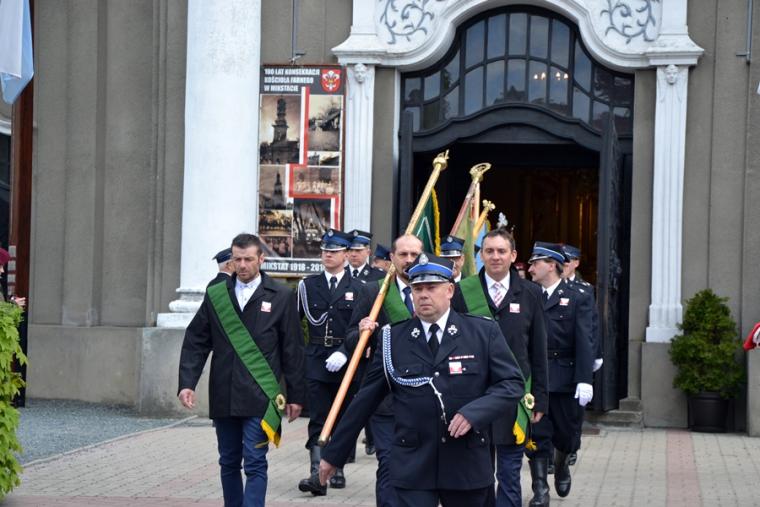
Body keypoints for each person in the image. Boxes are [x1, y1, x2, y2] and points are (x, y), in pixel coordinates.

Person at [319, 252, 525, 507]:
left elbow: (511, 383)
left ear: (449, 290)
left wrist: (474, 413)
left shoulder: (482, 332)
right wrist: (334, 454)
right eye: (417, 289)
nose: (423, 295)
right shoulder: (392, 338)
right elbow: (365, 400)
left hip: (465, 462)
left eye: (431, 287)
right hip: (413, 464)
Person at [177, 233, 305, 507]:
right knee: (228, 461)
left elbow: (292, 349)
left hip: (261, 395)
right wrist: (187, 382)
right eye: (237, 260)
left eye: (248, 259)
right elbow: (197, 340)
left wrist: (296, 395)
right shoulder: (217, 294)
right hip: (224, 391)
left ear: (261, 259)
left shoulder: (281, 295)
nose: (243, 265)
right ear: (231, 261)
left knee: (255, 461)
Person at [451, 228, 548, 507]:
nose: (495, 257)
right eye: (489, 251)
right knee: (478, 475)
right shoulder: (462, 292)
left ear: (513, 255)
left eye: (501, 251)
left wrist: (541, 398)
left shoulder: (531, 293)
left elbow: (538, 350)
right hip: (474, 396)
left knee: (509, 473)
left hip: (513, 397)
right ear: (481, 255)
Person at [334, 233, 422, 507]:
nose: (409, 260)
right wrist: (362, 332)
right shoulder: (374, 291)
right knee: (388, 463)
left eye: (414, 255)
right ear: (392, 258)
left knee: (419, 467)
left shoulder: (434, 289)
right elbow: (350, 339)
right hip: (386, 399)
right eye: (403, 254)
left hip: (425, 398)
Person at [526, 242, 595, 506]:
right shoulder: (528, 295)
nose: (530, 269)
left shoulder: (578, 296)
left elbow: (585, 339)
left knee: (567, 435)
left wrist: (584, 379)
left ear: (552, 265)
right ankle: (540, 488)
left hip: (565, 376)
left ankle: (562, 462)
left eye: (536, 263)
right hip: (537, 377)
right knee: (537, 434)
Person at [296, 229, 364, 495]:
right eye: (325, 251)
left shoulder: (359, 288)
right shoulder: (308, 285)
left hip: (346, 363)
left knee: (343, 418)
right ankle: (317, 473)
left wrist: (345, 351)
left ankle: (337, 468)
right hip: (316, 359)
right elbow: (294, 325)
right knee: (318, 418)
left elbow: (361, 328)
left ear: (345, 255)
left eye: (334, 252)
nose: (327, 255)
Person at [561, 244, 603, 467]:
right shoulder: (544, 288)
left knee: (575, 410)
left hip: (578, 357)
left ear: (576, 263)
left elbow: (592, 326)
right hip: (556, 358)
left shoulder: (584, 289)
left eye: (567, 261)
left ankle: (572, 446)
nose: (563, 265)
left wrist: (596, 354)